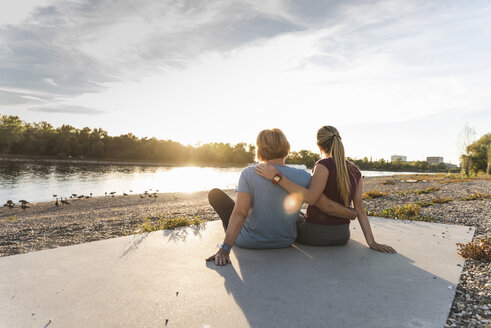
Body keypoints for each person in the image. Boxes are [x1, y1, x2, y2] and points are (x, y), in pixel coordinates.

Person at [206, 129, 356, 266]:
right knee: (296, 213)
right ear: (286, 148)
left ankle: (228, 237)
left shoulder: (249, 173)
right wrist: (351, 213)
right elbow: (321, 202)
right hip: (285, 241)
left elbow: (240, 213)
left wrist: (225, 250)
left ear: (260, 149)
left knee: (216, 195)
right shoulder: (303, 176)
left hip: (249, 241)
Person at [256, 125, 396, 253]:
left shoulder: (323, 165)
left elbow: (312, 198)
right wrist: (372, 242)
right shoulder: (355, 170)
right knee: (299, 215)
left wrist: (276, 177)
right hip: (342, 236)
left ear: (319, 146)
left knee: (291, 217)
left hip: (315, 235)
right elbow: (359, 209)